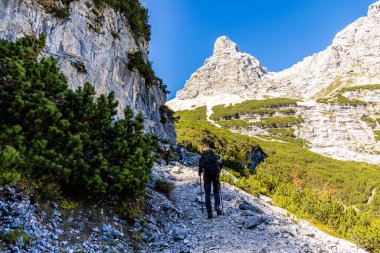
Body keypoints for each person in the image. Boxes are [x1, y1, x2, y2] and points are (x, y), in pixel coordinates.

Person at [198, 147, 223, 219]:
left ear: (203, 151)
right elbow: (221, 164)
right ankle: (217, 207)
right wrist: (219, 171)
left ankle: (210, 214)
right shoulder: (215, 156)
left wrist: (200, 173)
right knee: (216, 192)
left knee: (207, 194)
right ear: (210, 150)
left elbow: (200, 168)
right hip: (215, 175)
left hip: (207, 177)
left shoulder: (202, 158)